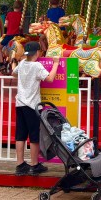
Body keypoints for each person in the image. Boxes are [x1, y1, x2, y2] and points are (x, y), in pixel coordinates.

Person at [11, 41, 60, 175]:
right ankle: (34, 164)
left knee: (20, 135)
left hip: (20, 103)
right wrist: (55, 63)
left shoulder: (21, 64)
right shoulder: (37, 65)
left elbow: (13, 73)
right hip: (32, 105)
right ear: (38, 52)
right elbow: (49, 78)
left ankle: (20, 164)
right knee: (34, 135)